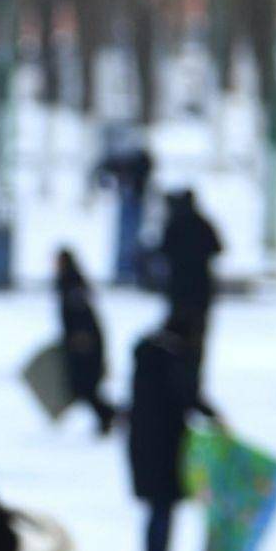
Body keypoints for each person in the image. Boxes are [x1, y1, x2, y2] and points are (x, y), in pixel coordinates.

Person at [124, 314, 216, 551]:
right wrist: (214, 416)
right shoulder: (171, 361)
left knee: (157, 510)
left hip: (144, 443)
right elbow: (187, 396)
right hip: (165, 446)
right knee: (162, 509)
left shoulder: (148, 358)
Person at [52, 247, 114, 434]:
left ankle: (110, 415)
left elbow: (80, 313)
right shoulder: (70, 282)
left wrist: (81, 334)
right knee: (83, 387)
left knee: (86, 386)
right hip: (79, 340)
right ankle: (109, 415)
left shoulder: (71, 282)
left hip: (85, 342)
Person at [90, 127, 154, 288]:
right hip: (130, 199)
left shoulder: (136, 158)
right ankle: (124, 270)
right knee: (126, 236)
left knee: (129, 236)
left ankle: (127, 269)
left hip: (134, 199)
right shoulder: (127, 157)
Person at [157, 188, 222, 339]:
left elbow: (163, 251)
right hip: (200, 286)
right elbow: (217, 248)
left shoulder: (175, 224)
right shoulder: (202, 223)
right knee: (196, 332)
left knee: (178, 331)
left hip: (180, 286)